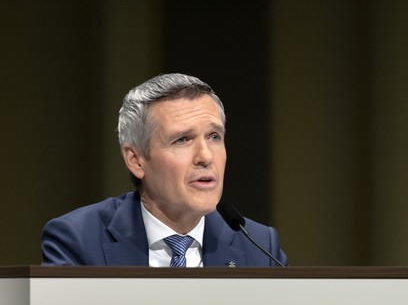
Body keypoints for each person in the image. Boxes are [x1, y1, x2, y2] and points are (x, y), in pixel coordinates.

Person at [41, 73, 287, 267]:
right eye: (182, 140)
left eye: (214, 137)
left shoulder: (259, 246)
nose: (205, 156)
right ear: (136, 160)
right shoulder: (78, 240)